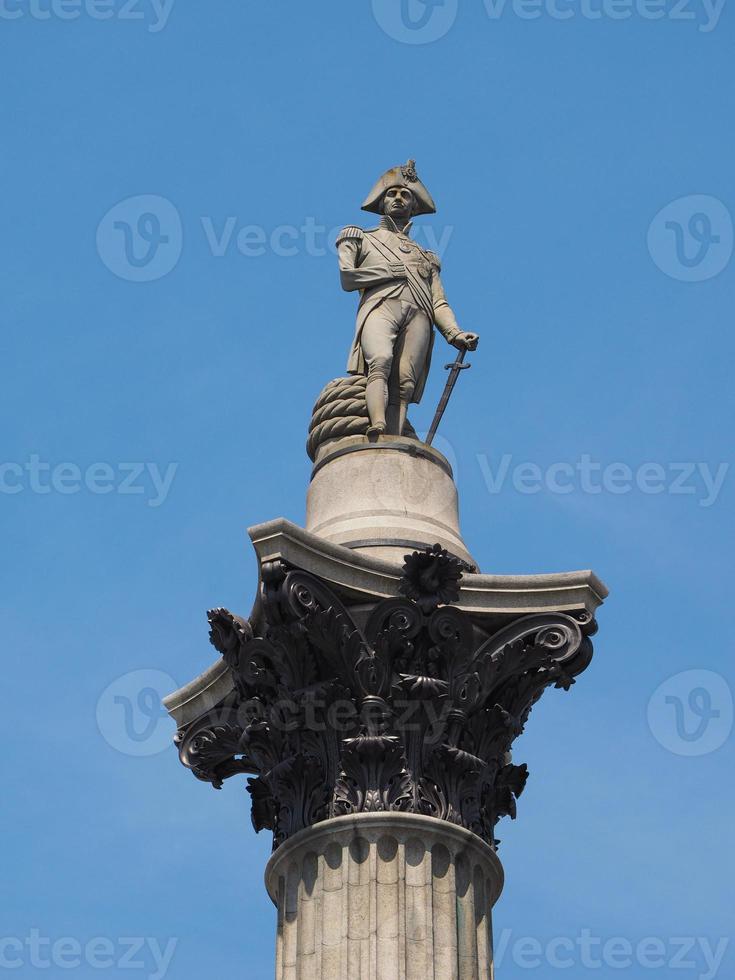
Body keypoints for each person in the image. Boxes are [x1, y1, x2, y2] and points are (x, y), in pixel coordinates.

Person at [337, 160, 479, 438]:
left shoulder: (427, 256)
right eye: (392, 194)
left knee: (405, 383)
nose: (399, 199)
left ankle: (396, 434)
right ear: (381, 201)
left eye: (405, 195)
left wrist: (454, 334)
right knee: (379, 359)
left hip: (419, 314)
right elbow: (347, 278)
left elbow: (438, 301)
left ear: (414, 206)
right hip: (380, 306)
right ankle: (376, 425)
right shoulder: (360, 237)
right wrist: (387, 271)